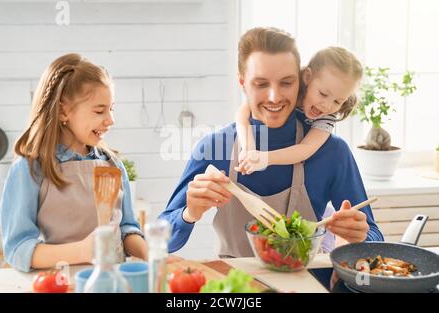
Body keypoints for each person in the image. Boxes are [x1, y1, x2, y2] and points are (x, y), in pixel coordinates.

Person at [159, 27, 384, 257]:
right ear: (242, 83)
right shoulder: (214, 148)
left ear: (301, 82)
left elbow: (376, 240)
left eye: (286, 82)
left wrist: (359, 234)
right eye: (261, 84)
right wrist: (189, 213)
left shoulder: (332, 151)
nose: (274, 97)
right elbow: (161, 241)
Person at [0, 53, 148, 272]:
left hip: (112, 282)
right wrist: (82, 251)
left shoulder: (113, 165)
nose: (111, 120)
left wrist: (152, 254)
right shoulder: (30, 168)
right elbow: (18, 248)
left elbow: (126, 229)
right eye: (99, 110)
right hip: (59, 282)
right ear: (63, 111)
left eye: (111, 108)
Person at [235, 46, 362, 175]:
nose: (327, 106)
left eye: (337, 101)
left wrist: (265, 158)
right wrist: (248, 147)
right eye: (323, 94)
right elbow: (243, 111)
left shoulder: (328, 115)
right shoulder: (288, 92)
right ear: (307, 77)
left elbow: (306, 148)